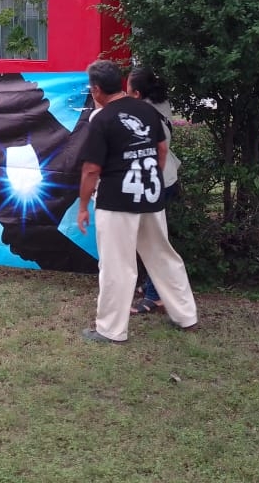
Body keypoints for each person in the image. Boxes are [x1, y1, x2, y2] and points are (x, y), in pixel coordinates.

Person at [76, 59, 198, 343]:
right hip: (150, 194)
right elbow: (161, 149)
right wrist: (151, 176)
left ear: (95, 90)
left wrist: (83, 206)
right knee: (163, 256)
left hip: (117, 200)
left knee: (117, 265)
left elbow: (91, 169)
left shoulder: (101, 119)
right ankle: (186, 316)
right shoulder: (146, 110)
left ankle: (110, 329)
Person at [126, 66, 182, 316]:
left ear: (136, 93)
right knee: (149, 238)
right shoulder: (159, 103)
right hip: (164, 178)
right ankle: (151, 286)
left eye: (127, 87)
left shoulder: (144, 113)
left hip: (156, 182)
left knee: (153, 241)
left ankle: (156, 296)